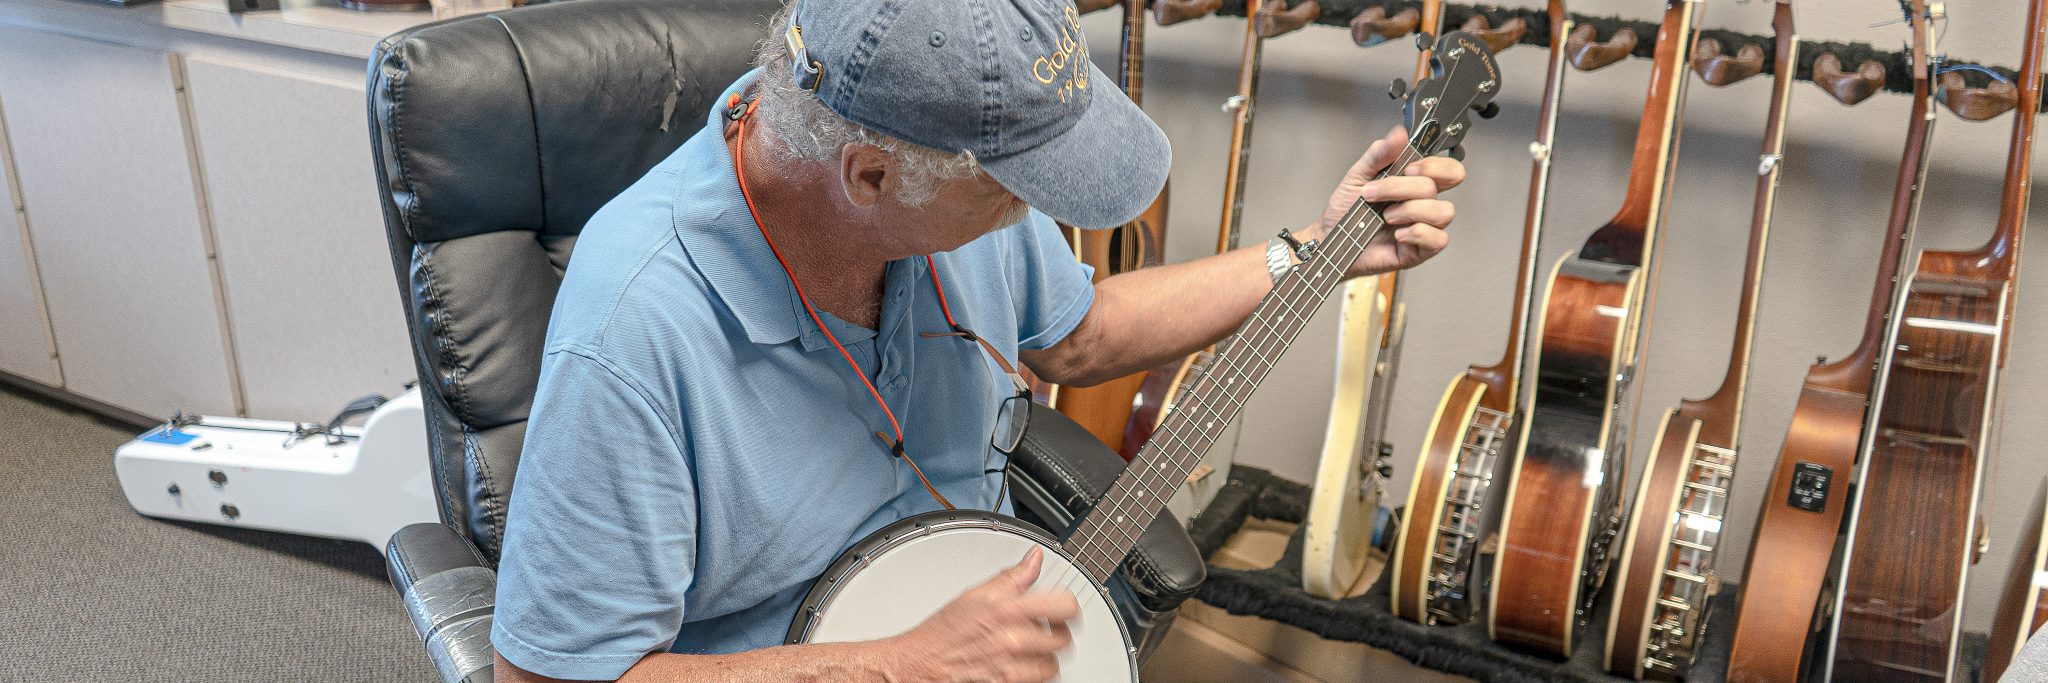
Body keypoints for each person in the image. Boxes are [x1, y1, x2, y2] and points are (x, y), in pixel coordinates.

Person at [491, 0, 1463, 681]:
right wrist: (896, 663)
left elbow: (1079, 338)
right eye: (1010, 188)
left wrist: (1313, 249)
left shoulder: (935, 176)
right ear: (867, 176)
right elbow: (544, 678)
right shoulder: (635, 325)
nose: (1026, 210)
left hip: (974, 616)